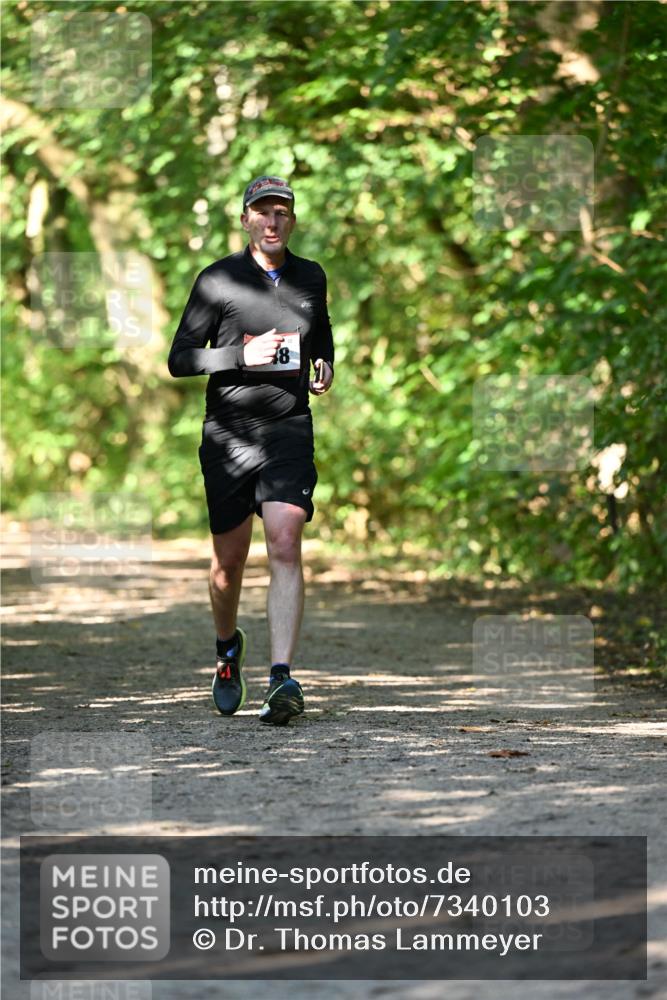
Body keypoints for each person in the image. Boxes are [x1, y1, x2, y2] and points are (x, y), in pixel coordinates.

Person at [168, 175, 334, 725]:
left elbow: (320, 333)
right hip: (228, 434)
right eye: (262, 211)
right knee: (228, 564)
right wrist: (241, 356)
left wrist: (325, 363)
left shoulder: (311, 276)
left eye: (281, 212)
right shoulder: (218, 279)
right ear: (245, 220)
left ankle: (282, 677)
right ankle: (226, 650)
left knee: (285, 539)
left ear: (293, 220)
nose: (272, 221)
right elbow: (180, 359)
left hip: (288, 428)